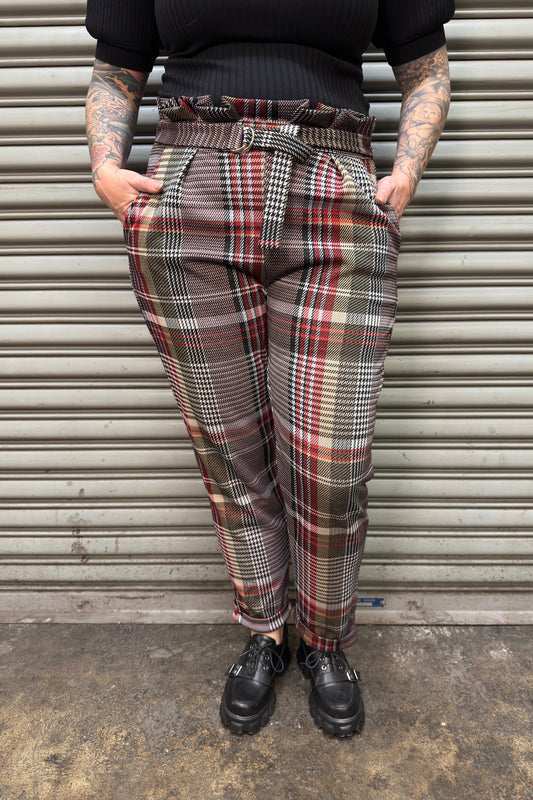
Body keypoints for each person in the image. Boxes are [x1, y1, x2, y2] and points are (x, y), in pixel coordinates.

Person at [85, 0, 454, 737]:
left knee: (331, 463)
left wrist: (404, 172)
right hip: (191, 186)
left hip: (334, 184)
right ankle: (265, 631)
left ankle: (324, 641)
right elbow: (116, 68)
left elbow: (425, 68)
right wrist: (105, 167)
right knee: (230, 451)